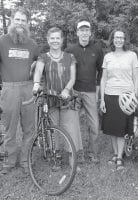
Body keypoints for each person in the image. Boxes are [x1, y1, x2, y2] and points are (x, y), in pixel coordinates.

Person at [0, 7, 39, 174]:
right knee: (9, 128)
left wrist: (36, 81)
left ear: (28, 23)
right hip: (8, 89)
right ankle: (9, 162)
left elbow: (38, 65)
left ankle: (25, 161)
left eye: (23, 20)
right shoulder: (0, 41)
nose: (20, 23)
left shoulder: (33, 44)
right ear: (11, 20)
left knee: (29, 129)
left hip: (28, 89)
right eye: (17, 19)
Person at [32, 27, 83, 169]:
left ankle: (73, 157)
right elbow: (38, 72)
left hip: (68, 99)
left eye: (57, 38)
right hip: (50, 99)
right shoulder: (43, 57)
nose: (55, 41)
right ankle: (56, 156)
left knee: (71, 128)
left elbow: (73, 78)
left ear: (62, 40)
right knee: (52, 129)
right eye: (52, 38)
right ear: (48, 40)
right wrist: (36, 84)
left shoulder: (70, 57)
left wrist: (67, 89)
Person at [100, 27, 138, 170]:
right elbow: (103, 79)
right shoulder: (107, 57)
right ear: (113, 40)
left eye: (121, 37)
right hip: (109, 95)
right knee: (111, 128)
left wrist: (134, 97)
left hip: (126, 97)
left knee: (121, 129)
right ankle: (116, 154)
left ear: (125, 40)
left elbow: (136, 77)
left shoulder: (132, 55)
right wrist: (102, 99)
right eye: (116, 37)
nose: (118, 40)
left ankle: (119, 158)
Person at [65, 19, 103, 163]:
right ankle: (77, 153)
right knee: (74, 124)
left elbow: (101, 72)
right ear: (77, 32)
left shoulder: (97, 50)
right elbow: (64, 71)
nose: (84, 32)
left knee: (94, 124)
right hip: (74, 92)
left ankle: (93, 153)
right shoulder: (69, 50)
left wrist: (98, 90)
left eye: (87, 30)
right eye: (82, 30)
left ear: (90, 32)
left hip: (91, 92)